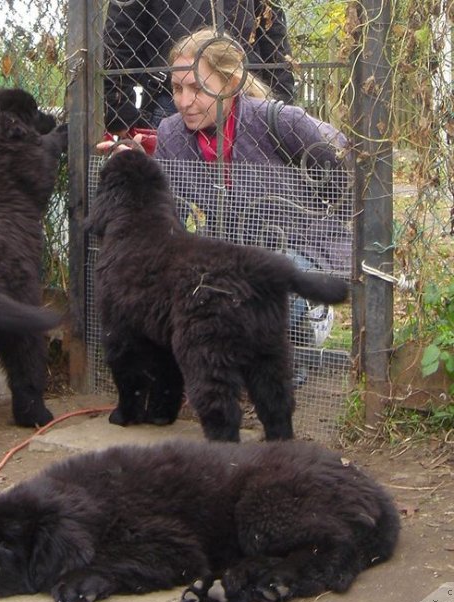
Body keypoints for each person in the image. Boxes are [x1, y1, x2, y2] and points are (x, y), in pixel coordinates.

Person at [98, 28, 352, 385]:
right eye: (177, 89)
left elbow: (345, 162)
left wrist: (335, 226)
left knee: (269, 296)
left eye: (197, 89)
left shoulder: (277, 120)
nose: (184, 101)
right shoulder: (172, 134)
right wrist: (138, 167)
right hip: (228, 255)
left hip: (299, 249)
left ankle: (309, 320)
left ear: (231, 84)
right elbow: (168, 211)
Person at [103, 0, 296, 136]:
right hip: (178, 96)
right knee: (182, 188)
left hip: (244, 93)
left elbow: (272, 34)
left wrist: (281, 108)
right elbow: (121, 34)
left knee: (248, 187)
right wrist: (119, 110)